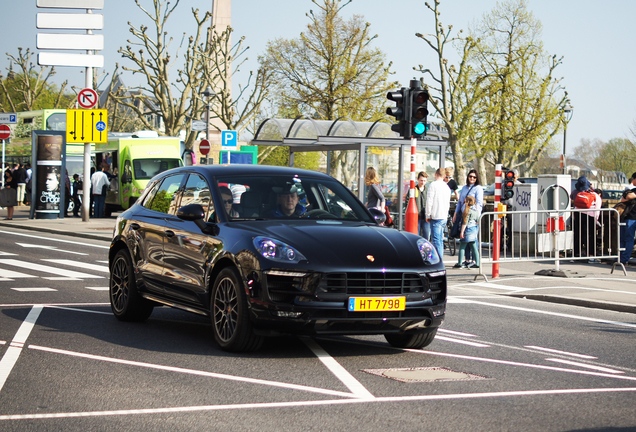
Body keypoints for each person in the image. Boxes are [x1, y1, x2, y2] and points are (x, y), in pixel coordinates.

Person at [453, 169, 484, 266]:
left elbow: (479, 204)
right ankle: (467, 259)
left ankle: (474, 261)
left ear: (477, 178)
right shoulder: (464, 188)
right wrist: (456, 213)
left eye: (474, 177)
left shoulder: (478, 188)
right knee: (466, 238)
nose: (472, 178)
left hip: (472, 217)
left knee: (473, 239)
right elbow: (460, 202)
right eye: (470, 176)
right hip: (463, 214)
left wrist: (477, 217)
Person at [571, 176, 602, 261]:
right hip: (590, 216)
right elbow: (597, 209)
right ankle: (591, 256)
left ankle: (576, 255)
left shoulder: (578, 194)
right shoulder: (595, 195)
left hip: (578, 216)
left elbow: (575, 208)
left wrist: (574, 218)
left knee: (578, 235)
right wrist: (596, 220)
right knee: (591, 236)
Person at [426, 168, 451, 258]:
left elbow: (429, 201)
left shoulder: (433, 185)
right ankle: (440, 259)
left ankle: (438, 261)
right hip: (443, 216)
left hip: (435, 216)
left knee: (436, 241)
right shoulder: (447, 187)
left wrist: (428, 214)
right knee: (440, 240)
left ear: (436, 174)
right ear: (444, 176)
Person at [454, 195, 480, 269]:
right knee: (474, 247)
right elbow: (478, 221)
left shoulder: (467, 211)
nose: (464, 203)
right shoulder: (476, 211)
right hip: (474, 229)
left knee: (462, 246)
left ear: (468, 202)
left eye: (465, 201)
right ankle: (477, 263)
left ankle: (459, 263)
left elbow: (465, 222)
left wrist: (462, 232)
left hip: (468, 229)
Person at [405, 171, 429, 239]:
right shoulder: (413, 189)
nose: (423, 182)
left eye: (424, 181)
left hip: (425, 217)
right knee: (415, 236)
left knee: (426, 236)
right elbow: (408, 201)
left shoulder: (428, 190)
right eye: (421, 180)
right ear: (417, 179)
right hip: (416, 217)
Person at [615, 189, 636, 266]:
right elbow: (624, 199)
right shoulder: (633, 190)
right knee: (623, 239)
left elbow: (626, 198)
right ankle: (621, 258)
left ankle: (623, 258)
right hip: (627, 218)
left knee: (627, 239)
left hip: (631, 218)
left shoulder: (632, 191)